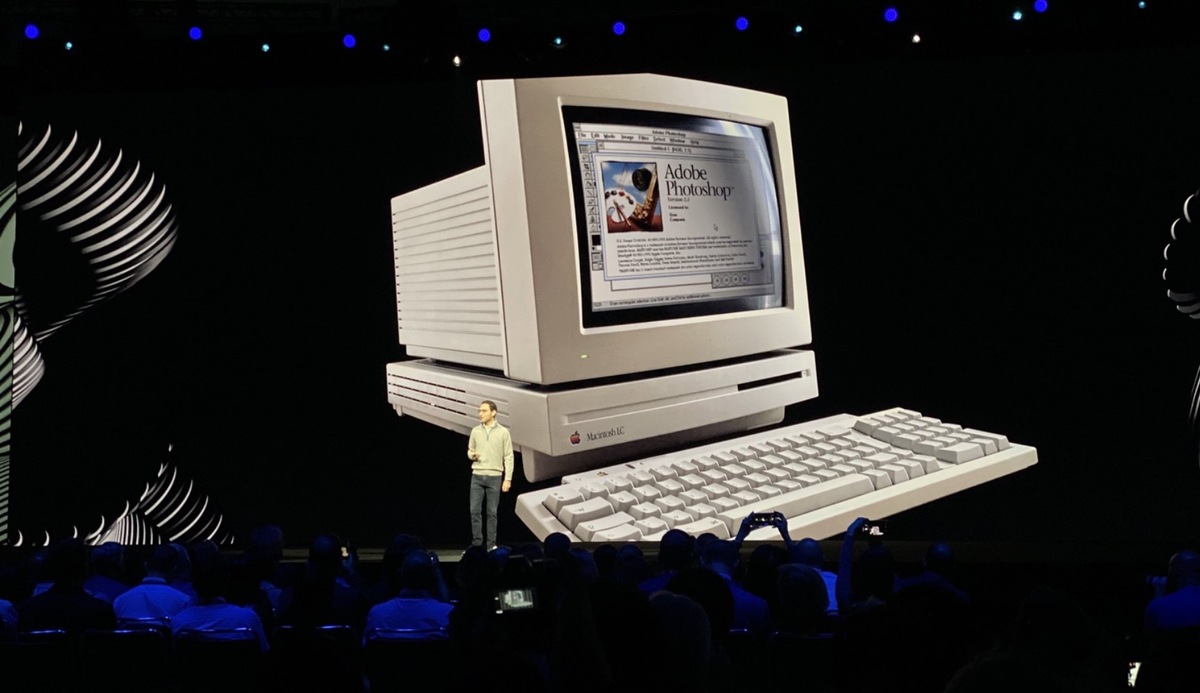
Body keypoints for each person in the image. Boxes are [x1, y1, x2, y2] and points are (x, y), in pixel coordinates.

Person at [467, 399, 513, 549]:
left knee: (492, 513)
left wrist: (508, 479)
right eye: (479, 411)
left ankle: (491, 545)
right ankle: (477, 545)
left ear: (493, 412)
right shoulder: (475, 431)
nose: (480, 413)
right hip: (477, 476)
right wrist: (471, 455)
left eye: (484, 411)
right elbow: (470, 450)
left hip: (494, 477)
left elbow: (508, 456)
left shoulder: (503, 432)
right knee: (474, 511)